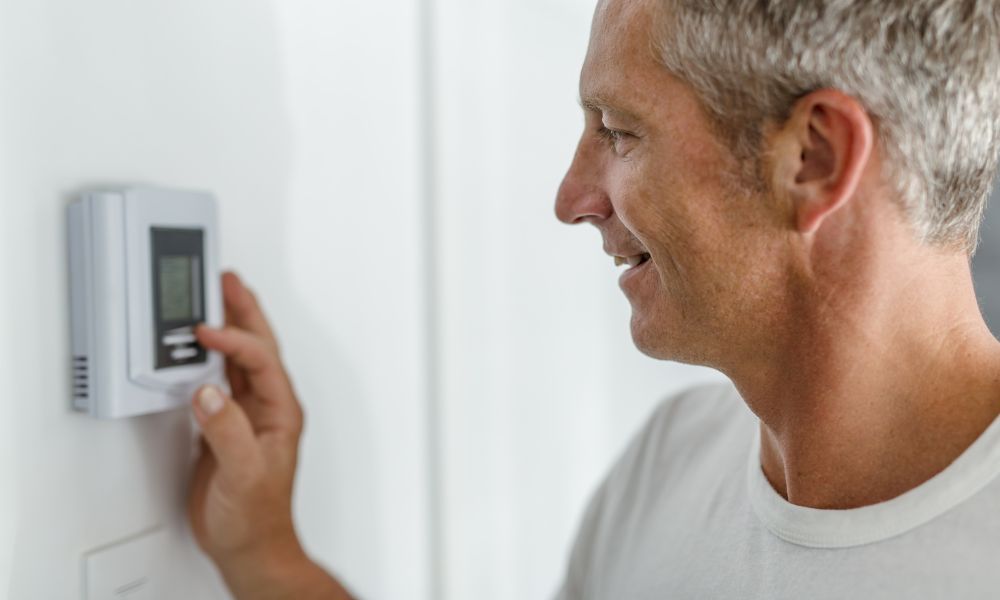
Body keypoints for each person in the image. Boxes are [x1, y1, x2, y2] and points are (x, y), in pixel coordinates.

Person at [187, 0, 1000, 598]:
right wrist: (264, 553)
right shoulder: (673, 460)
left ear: (816, 157)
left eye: (618, 130)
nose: (572, 198)